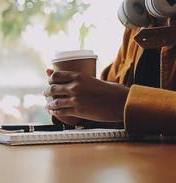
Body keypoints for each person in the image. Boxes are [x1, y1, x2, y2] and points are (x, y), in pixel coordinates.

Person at [43, 12, 176, 136]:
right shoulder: (137, 22)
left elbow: (118, 103)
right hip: (135, 158)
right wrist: (77, 113)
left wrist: (125, 102)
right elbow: (108, 106)